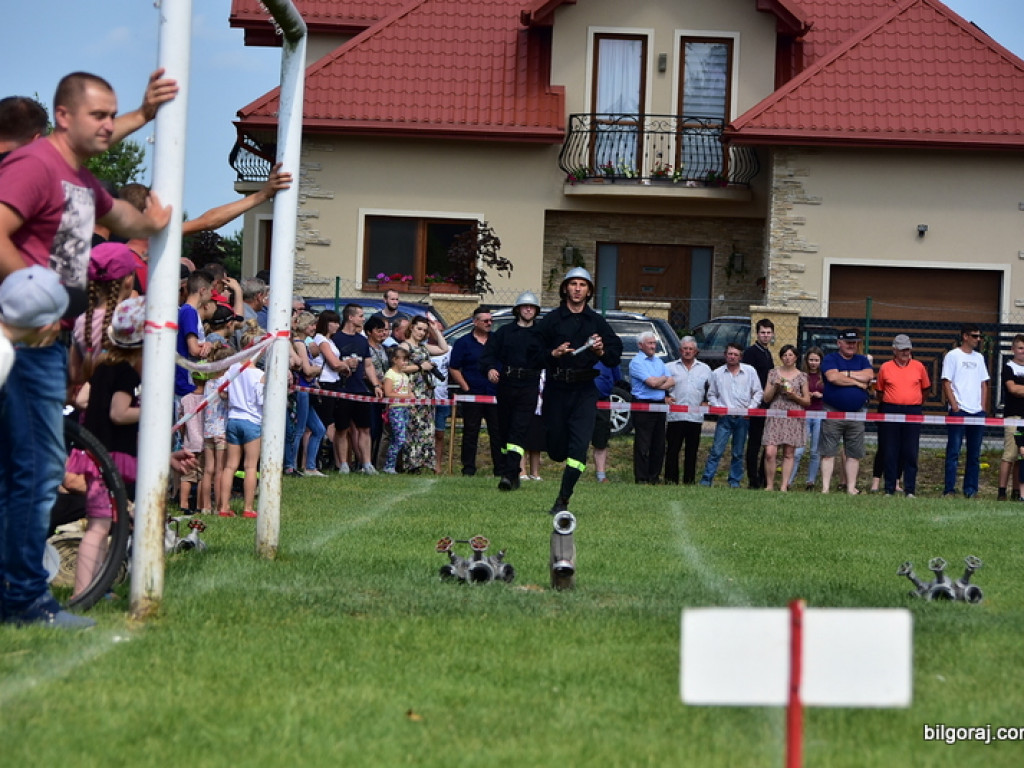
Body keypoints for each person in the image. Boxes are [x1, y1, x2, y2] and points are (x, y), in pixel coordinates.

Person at [0, 71, 172, 629]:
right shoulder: (34, 166)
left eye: (112, 115)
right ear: (64, 117)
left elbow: (122, 218)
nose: (107, 126)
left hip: (47, 345)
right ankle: (24, 600)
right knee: (36, 468)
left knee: (27, 467)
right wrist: (35, 291)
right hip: (20, 339)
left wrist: (154, 223)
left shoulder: (83, 181)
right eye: (98, 115)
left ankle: (15, 594)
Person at [536, 267, 622, 513]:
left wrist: (600, 351)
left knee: (579, 449)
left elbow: (614, 356)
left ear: (589, 291)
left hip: (584, 390)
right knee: (556, 449)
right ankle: (557, 450)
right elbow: (533, 353)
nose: (577, 288)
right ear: (565, 288)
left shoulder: (596, 322)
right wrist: (553, 353)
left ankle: (563, 499)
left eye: (582, 285)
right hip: (556, 388)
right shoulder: (551, 320)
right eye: (573, 284)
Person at [74, 297, 145, 597]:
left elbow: (80, 400)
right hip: (109, 458)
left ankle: (98, 586)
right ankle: (82, 592)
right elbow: (119, 412)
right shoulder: (127, 373)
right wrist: (151, 411)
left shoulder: (102, 365)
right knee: (99, 527)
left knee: (105, 526)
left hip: (96, 456)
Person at [480, 291, 545, 491]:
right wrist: (490, 368)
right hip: (507, 383)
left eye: (531, 307)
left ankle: (508, 475)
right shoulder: (504, 332)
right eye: (525, 306)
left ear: (536, 311)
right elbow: (488, 355)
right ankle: (511, 472)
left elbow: (549, 357)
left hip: (529, 384)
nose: (528, 309)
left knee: (519, 427)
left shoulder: (542, 334)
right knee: (505, 429)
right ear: (517, 310)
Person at [216, 326, 266, 518]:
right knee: (250, 466)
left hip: (233, 419)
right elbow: (261, 401)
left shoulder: (233, 369)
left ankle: (224, 507)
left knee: (230, 465)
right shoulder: (258, 375)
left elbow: (222, 391)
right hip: (252, 421)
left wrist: (231, 401)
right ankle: (248, 507)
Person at [699, 343, 763, 488]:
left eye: (735, 354)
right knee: (716, 451)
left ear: (740, 356)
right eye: (730, 354)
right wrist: (718, 409)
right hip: (724, 417)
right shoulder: (717, 373)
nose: (732, 357)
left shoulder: (750, 371)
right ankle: (706, 480)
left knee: (738, 452)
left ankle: (734, 481)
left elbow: (758, 392)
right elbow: (711, 394)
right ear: (725, 355)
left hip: (743, 417)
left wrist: (750, 409)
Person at [820, 329, 874, 495]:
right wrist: (857, 383)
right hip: (832, 411)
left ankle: (851, 488)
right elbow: (833, 378)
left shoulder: (862, 359)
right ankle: (825, 488)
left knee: (854, 453)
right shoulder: (830, 358)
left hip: (856, 413)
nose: (852, 346)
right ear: (839, 343)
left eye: (854, 342)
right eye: (848, 342)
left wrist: (847, 374)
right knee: (828, 452)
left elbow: (869, 375)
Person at [875, 334, 930, 498]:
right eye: (902, 349)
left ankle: (910, 489)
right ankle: (889, 488)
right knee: (890, 450)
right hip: (890, 409)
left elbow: (925, 389)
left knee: (911, 451)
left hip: (912, 410)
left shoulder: (919, 366)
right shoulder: (885, 367)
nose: (906, 352)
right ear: (894, 350)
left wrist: (915, 401)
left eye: (908, 349)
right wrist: (891, 402)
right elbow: (879, 391)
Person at [331, 303, 383, 475]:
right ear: (350, 317)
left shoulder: (362, 341)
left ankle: (367, 464)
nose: (363, 319)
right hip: (342, 389)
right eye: (360, 315)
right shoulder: (336, 339)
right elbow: (330, 363)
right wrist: (344, 364)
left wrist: (375, 385)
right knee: (342, 428)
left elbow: (368, 365)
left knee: (364, 428)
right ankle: (343, 464)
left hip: (360, 390)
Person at [450, 306, 501, 477]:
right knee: (471, 432)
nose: (489, 323)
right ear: (475, 322)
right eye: (485, 320)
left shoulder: (497, 341)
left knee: (497, 432)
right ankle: (468, 468)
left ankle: (500, 468)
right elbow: (454, 368)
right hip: (473, 394)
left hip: (494, 394)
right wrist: (466, 387)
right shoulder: (463, 343)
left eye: (491, 320)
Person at [942, 324, 990, 499]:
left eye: (979, 336)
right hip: (959, 410)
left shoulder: (979, 358)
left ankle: (971, 490)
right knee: (953, 452)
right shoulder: (952, 356)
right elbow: (946, 382)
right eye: (975, 336)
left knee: (974, 454)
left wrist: (983, 407)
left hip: (976, 412)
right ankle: (949, 489)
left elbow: (984, 383)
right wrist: (955, 406)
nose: (978, 339)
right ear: (965, 336)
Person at [399, 314, 449, 473]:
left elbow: (444, 348)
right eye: (419, 329)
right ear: (412, 327)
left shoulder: (424, 347)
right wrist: (421, 367)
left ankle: (423, 462)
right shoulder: (405, 347)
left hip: (427, 392)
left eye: (424, 330)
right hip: (413, 391)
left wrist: (435, 330)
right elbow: (400, 368)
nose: (421, 333)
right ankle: (411, 464)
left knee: (426, 428)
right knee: (413, 427)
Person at [761, 344, 810, 492]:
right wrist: (775, 386)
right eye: (784, 355)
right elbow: (766, 398)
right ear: (781, 357)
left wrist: (795, 396)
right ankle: (769, 484)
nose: (787, 358)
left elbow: (807, 401)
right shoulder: (773, 373)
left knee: (789, 453)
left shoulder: (802, 376)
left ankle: (783, 486)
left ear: (795, 357)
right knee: (770, 451)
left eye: (790, 355)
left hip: (794, 414)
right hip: (776, 413)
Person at [664, 336, 711, 485]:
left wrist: (706, 400)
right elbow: (660, 386)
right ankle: (670, 480)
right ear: (680, 350)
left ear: (696, 351)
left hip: (695, 417)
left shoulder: (705, 369)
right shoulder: (669, 367)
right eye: (685, 348)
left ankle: (689, 481)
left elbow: (711, 389)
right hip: (675, 416)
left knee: (692, 452)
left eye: (691, 349)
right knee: (672, 450)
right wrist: (664, 398)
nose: (688, 351)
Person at [629, 331, 674, 484]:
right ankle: (641, 478)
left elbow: (672, 381)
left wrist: (659, 381)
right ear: (640, 345)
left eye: (654, 343)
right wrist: (662, 379)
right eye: (649, 343)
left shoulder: (658, 361)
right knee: (643, 444)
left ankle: (654, 477)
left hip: (659, 404)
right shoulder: (636, 362)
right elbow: (652, 383)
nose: (653, 346)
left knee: (659, 443)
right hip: (643, 404)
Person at [285, 310, 326, 477]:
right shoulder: (299, 344)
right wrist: (320, 369)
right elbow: (307, 370)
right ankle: (291, 465)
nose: (314, 327)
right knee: (299, 429)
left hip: (307, 391)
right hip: (301, 391)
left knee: (319, 429)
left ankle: (310, 466)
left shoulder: (302, 343)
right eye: (310, 324)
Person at [743, 318, 775, 488]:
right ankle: (753, 479)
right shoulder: (751, 352)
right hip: (756, 404)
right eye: (763, 332)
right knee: (754, 443)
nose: (765, 336)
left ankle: (763, 477)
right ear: (757, 333)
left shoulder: (767, 353)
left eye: (769, 333)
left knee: (767, 443)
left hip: (768, 404)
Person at [788, 346, 825, 490]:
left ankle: (811, 482)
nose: (813, 363)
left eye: (816, 360)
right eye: (811, 360)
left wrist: (822, 395)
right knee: (798, 451)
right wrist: (805, 395)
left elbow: (831, 393)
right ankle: (789, 481)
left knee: (815, 451)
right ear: (806, 360)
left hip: (819, 414)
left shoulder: (825, 377)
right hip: (803, 414)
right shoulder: (801, 376)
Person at [998, 334, 1024, 501]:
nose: (1023, 351)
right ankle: (1001, 491)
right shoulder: (1008, 368)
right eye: (1020, 348)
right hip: (1013, 417)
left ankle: (1016, 491)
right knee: (1010, 454)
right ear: (1013, 349)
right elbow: (1013, 389)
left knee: (1021, 457)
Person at [177, 371, 207, 511]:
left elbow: (181, 422)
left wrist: (184, 436)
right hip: (205, 443)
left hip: (189, 443)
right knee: (202, 475)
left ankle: (184, 503)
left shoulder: (185, 399)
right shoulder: (209, 398)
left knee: (187, 476)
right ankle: (200, 505)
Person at [382, 346, 414, 474]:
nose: (405, 363)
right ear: (395, 360)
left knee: (400, 438)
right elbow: (388, 392)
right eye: (403, 360)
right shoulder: (390, 374)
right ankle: (389, 465)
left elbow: (409, 391)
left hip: (405, 408)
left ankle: (393, 465)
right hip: (395, 409)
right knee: (399, 438)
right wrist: (406, 396)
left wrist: (411, 395)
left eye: (407, 360)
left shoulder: (404, 375)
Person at [591, 360, 622, 483]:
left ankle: (601, 476)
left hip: (603, 402)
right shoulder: (581, 355)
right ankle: (574, 473)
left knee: (601, 441)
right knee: (578, 440)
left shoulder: (609, 359)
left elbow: (616, 379)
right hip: (582, 401)